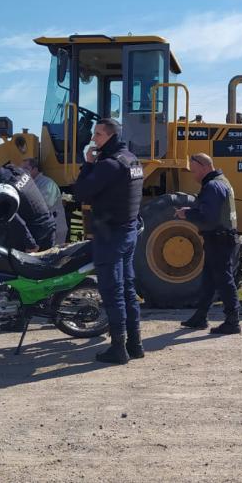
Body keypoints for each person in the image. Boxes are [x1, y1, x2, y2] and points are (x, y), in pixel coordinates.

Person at [73, 118, 144, 365]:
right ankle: (135, 344)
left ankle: (118, 348)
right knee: (127, 290)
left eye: (98, 134)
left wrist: (88, 164)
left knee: (113, 292)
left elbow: (80, 192)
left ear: (111, 136)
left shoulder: (109, 165)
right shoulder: (132, 160)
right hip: (128, 232)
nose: (94, 139)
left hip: (110, 236)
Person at [175, 153, 242, 335]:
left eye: (195, 171)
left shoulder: (213, 186)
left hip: (219, 238)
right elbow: (212, 212)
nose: (193, 175)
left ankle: (232, 321)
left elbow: (209, 219)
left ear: (204, 167)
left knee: (224, 279)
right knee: (210, 279)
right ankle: (200, 317)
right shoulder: (221, 182)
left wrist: (187, 215)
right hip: (219, 238)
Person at [0, 154, 56, 253]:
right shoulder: (16, 171)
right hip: (48, 225)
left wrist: (31, 245)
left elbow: (14, 220)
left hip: (36, 235)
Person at [21, 158, 68, 244]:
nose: (23, 172)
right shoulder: (29, 184)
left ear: (35, 169)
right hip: (44, 231)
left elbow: (42, 207)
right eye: (22, 169)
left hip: (55, 230)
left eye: (26, 168)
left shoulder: (48, 184)